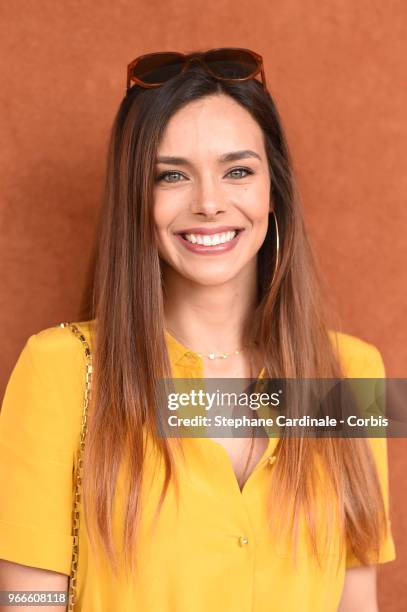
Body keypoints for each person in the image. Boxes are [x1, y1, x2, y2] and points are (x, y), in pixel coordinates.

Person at [0, 48, 396, 611]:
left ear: (273, 191)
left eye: (237, 170)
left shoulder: (351, 375)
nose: (209, 203)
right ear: (136, 198)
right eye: (171, 176)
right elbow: (25, 603)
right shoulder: (59, 369)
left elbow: (357, 603)